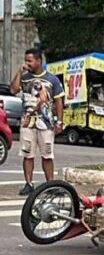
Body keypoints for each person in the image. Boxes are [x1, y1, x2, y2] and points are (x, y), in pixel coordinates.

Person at [10, 48, 65, 196]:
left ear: (39, 61)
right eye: (26, 60)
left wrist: (59, 121)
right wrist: (19, 72)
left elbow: (59, 100)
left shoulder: (52, 79)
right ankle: (28, 183)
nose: (27, 63)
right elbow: (13, 90)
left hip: (45, 123)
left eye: (30, 60)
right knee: (28, 154)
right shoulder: (25, 77)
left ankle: (50, 184)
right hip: (27, 123)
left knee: (47, 154)